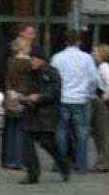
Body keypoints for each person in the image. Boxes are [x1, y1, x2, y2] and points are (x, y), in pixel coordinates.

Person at [20, 47, 71, 184]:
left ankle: (63, 165)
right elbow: (25, 87)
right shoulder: (30, 73)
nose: (32, 62)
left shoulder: (51, 72)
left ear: (41, 60)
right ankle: (32, 174)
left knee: (48, 144)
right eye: (31, 59)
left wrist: (40, 97)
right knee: (27, 145)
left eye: (34, 59)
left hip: (46, 115)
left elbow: (56, 92)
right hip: (31, 113)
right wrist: (21, 97)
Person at [50, 32, 98, 173]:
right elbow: (94, 79)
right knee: (82, 132)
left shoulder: (57, 58)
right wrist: (89, 93)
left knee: (61, 131)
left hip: (62, 98)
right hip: (80, 99)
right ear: (79, 42)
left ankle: (60, 163)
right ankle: (81, 165)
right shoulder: (87, 58)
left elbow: (52, 77)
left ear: (65, 42)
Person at [1, 26, 35, 170]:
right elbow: (31, 81)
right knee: (21, 129)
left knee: (11, 129)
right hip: (22, 98)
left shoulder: (10, 61)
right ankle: (18, 159)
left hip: (10, 97)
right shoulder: (27, 63)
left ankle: (9, 158)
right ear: (23, 48)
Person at [91, 42, 109, 172]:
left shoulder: (104, 66)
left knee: (103, 133)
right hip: (98, 102)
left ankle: (105, 162)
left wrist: (103, 98)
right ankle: (101, 160)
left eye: (95, 51)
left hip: (102, 103)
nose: (92, 54)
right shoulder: (99, 66)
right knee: (98, 133)